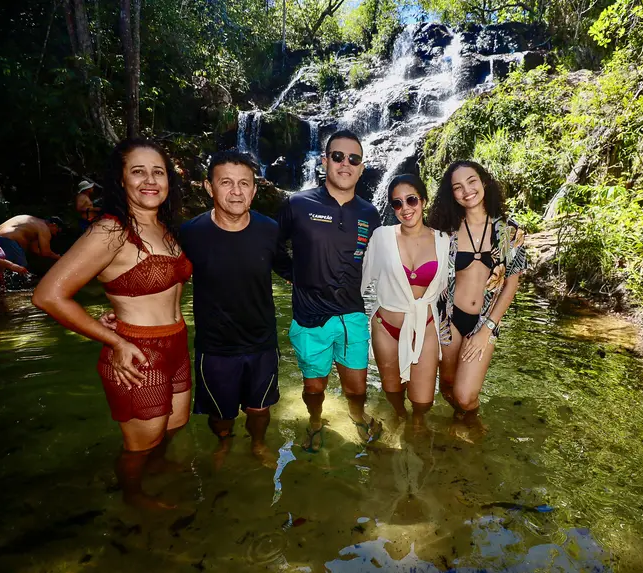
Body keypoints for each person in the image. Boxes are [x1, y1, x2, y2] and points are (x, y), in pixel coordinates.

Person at [33, 138, 192, 509]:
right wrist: (115, 340)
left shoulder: (165, 227)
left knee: (173, 427)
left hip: (177, 346)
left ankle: (158, 470)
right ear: (121, 181)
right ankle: (133, 498)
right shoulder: (111, 231)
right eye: (138, 171)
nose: (150, 180)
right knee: (139, 445)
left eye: (158, 172)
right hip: (138, 355)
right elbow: (47, 295)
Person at [180, 150, 291, 465]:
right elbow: (168, 277)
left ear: (255, 190)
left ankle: (257, 443)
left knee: (260, 408)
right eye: (226, 182)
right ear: (208, 187)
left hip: (261, 342)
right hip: (215, 345)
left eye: (244, 183)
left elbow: (292, 271)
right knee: (220, 413)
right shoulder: (191, 233)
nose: (236, 191)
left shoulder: (269, 229)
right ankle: (224, 442)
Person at [277, 129, 382, 452]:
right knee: (314, 387)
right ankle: (314, 419)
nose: (345, 164)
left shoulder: (370, 213)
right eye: (338, 157)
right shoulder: (297, 203)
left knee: (357, 388)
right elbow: (272, 246)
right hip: (309, 317)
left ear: (361, 168)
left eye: (354, 159)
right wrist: (293, 275)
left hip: (351, 313)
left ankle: (357, 415)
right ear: (325, 162)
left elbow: (381, 260)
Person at [427, 161, 528, 431]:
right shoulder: (444, 231)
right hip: (448, 320)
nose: (467, 191)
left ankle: (474, 428)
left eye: (471, 181)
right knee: (447, 387)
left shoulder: (508, 231)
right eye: (457, 187)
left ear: (484, 182)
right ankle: (458, 427)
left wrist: (488, 328)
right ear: (452, 194)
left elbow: (511, 284)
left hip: (486, 320)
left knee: (465, 395)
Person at [361, 174, 449, 429]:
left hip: (425, 326)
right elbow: (361, 278)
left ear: (423, 200)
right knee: (393, 393)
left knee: (422, 402)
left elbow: (455, 285)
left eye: (411, 200)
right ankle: (399, 419)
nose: (405, 208)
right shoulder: (381, 237)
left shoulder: (444, 241)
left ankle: (417, 429)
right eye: (397, 204)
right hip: (386, 327)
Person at [0, 214, 64, 269]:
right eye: (57, 231)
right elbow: (45, 252)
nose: (55, 234)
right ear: (53, 225)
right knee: (21, 269)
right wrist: (62, 258)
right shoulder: (44, 228)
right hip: (8, 241)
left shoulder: (34, 224)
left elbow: (35, 250)